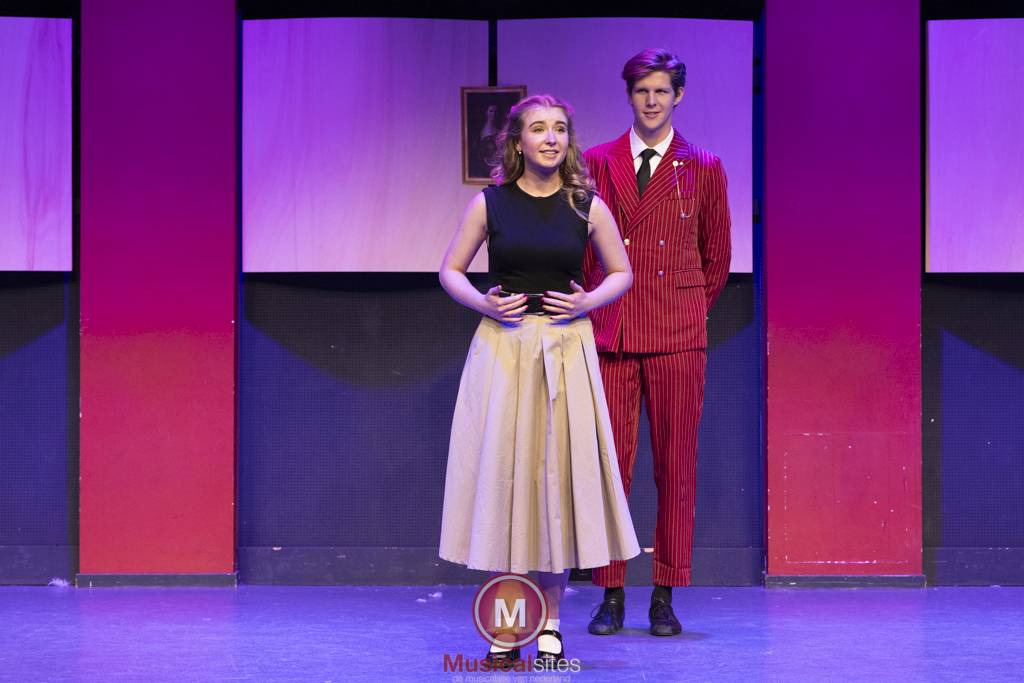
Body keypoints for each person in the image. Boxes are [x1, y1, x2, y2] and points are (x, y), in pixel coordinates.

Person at [438, 94, 641, 669]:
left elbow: (621, 272)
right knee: (506, 484)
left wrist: (586, 302)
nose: (550, 138)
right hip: (503, 352)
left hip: (565, 350)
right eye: (538, 129)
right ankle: (509, 626)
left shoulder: (586, 204)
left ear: (568, 140)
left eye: (559, 129)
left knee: (555, 488)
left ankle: (549, 625)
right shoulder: (490, 203)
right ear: (518, 141)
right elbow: (450, 269)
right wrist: (483, 302)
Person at [582, 48, 732, 637]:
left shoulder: (705, 167)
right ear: (630, 96)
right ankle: (611, 593)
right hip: (613, 332)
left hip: (677, 336)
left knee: (676, 467)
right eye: (642, 91)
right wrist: (597, 308)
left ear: (678, 97)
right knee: (609, 467)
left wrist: (684, 311)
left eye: (661, 91)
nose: (651, 101)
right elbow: (583, 250)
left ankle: (666, 592)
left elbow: (717, 257)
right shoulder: (597, 162)